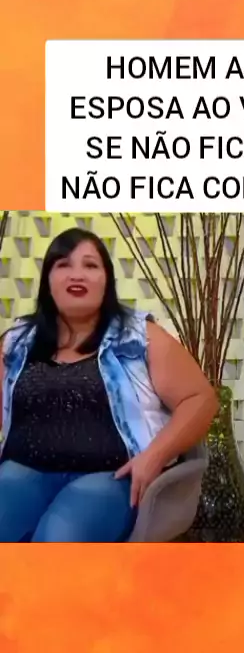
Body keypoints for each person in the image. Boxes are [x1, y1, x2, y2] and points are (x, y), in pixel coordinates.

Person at [0, 227, 218, 542]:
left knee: (59, 537)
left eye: (90, 265)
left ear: (107, 281)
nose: (77, 274)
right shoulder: (17, 341)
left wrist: (154, 457)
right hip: (24, 472)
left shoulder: (139, 336)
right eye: (63, 264)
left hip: (110, 477)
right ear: (48, 280)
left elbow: (200, 399)